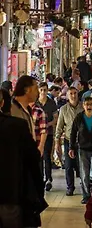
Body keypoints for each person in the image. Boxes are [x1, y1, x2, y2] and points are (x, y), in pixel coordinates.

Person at [0, 90, 47, 228]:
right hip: (10, 193)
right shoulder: (17, 126)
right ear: (3, 103)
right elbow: (33, 160)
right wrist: (38, 191)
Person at [69, 96, 92, 204]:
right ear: (83, 105)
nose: (89, 106)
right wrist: (71, 147)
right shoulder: (79, 117)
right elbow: (73, 133)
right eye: (87, 104)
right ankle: (86, 195)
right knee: (84, 173)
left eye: (91, 104)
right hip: (83, 148)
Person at [55, 86, 83, 196]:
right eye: (71, 93)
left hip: (82, 140)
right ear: (67, 96)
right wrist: (57, 141)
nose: (73, 95)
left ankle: (85, 186)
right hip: (68, 140)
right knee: (68, 165)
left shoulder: (83, 107)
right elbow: (59, 126)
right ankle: (70, 187)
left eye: (75, 93)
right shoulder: (63, 109)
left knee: (82, 165)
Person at [37, 82, 58, 192]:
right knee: (39, 156)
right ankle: (40, 178)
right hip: (38, 134)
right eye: (41, 90)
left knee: (46, 155)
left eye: (45, 90)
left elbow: (55, 118)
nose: (43, 92)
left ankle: (48, 178)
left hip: (48, 133)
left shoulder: (51, 103)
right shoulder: (35, 103)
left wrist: (47, 124)